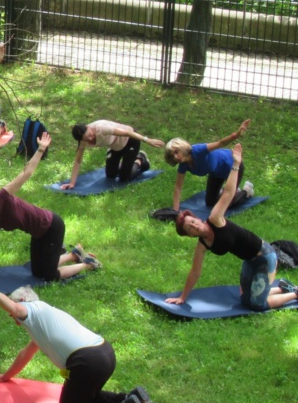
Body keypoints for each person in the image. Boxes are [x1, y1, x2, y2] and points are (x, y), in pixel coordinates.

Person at [0, 270, 160, 403]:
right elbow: (26, 354)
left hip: (87, 361)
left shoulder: (31, 309)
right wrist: (4, 376)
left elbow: (15, 307)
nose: (13, 318)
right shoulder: (45, 321)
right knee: (85, 396)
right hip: (105, 352)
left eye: (12, 314)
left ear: (23, 300)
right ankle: (130, 398)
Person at [0, 132, 100, 285]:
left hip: (51, 227)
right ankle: (74, 255)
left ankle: (89, 263)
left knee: (49, 275)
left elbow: (26, 173)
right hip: (38, 234)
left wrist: (40, 149)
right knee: (37, 272)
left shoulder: (2, 196)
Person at [169, 143, 297, 311]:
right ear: (191, 236)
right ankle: (282, 287)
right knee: (245, 300)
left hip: (266, 257)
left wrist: (236, 164)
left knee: (258, 305)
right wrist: (182, 297)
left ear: (199, 220)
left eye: (193, 222)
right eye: (189, 229)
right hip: (250, 261)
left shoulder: (215, 218)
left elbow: (228, 193)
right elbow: (195, 272)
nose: (194, 227)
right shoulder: (202, 244)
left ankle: (295, 293)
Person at [165, 118, 253, 211]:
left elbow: (220, 143)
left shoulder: (198, 150)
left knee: (225, 205)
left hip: (233, 165)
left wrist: (237, 134)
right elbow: (178, 187)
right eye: (172, 155)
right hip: (216, 173)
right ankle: (229, 191)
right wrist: (175, 211)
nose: (176, 156)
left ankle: (246, 191)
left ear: (181, 147)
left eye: (176, 151)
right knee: (210, 203)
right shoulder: (183, 164)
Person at [61, 120, 164, 190]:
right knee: (111, 174)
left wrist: (147, 140)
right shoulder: (83, 140)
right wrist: (72, 183)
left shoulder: (101, 128)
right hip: (115, 146)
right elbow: (78, 160)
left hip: (130, 140)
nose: (90, 139)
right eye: (86, 139)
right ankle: (126, 163)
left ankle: (140, 159)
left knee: (124, 178)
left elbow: (127, 133)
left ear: (88, 127)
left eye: (90, 135)